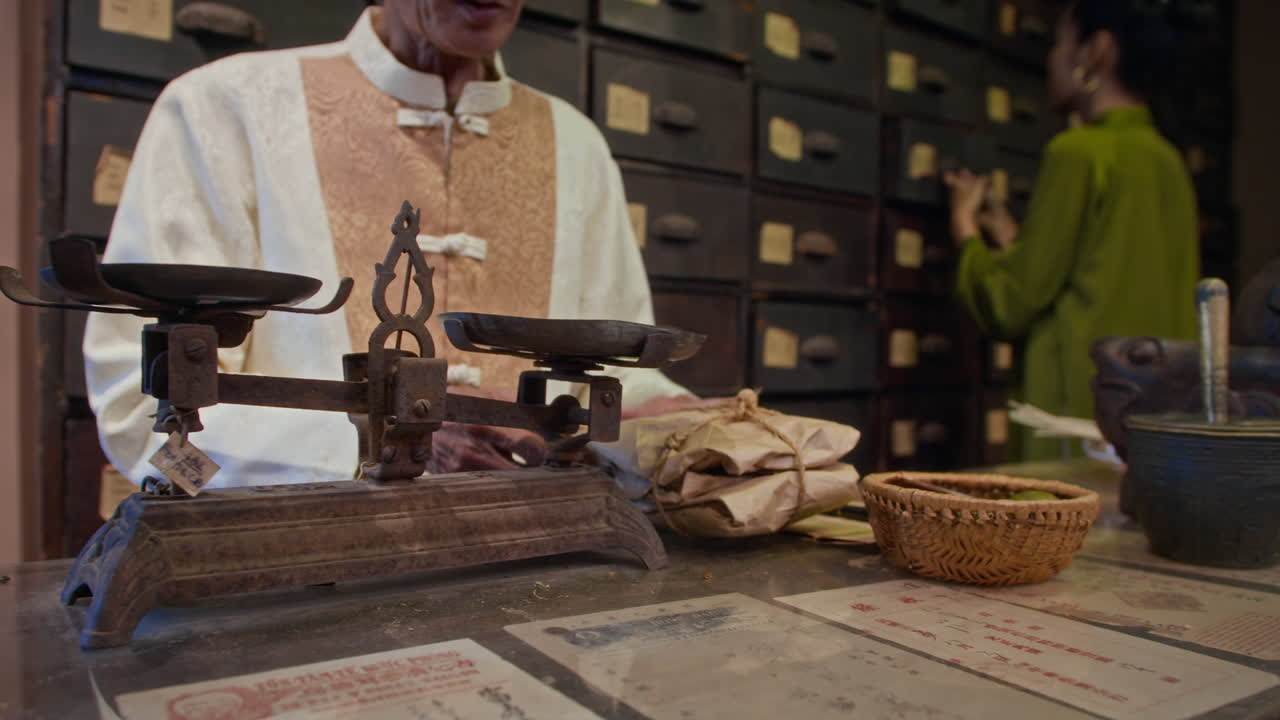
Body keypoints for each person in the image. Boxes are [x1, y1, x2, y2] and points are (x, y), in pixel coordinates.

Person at [84, 0, 697, 487]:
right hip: (304, 570)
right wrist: (375, 444)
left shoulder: (577, 145)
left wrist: (694, 424)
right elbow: (146, 424)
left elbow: (615, 379)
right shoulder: (226, 109)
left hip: (533, 561)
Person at [945, 0, 1201, 460]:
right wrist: (1011, 237)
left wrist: (965, 228)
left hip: (1075, 417)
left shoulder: (1078, 152)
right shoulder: (1167, 161)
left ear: (1096, 50)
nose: (1051, 59)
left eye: (1058, 43)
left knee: (1057, 530)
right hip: (1152, 425)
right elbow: (1105, 270)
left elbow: (1011, 304)